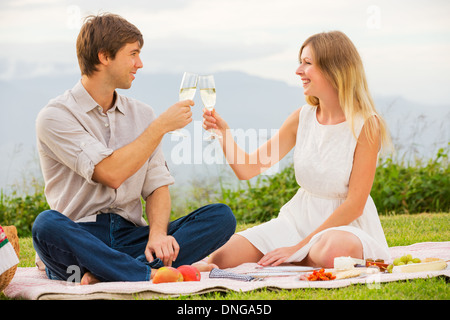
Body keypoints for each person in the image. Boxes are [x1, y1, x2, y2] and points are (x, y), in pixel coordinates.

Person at [32, 13, 235, 284]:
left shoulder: (141, 113)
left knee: (220, 217)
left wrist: (158, 235)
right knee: (46, 224)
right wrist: (160, 127)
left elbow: (156, 186)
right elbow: (110, 172)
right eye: (133, 54)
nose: (139, 64)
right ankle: (142, 273)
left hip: (132, 238)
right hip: (81, 238)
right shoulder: (55, 116)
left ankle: (110, 272)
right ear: (104, 57)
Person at [202, 31, 392, 269]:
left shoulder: (366, 124)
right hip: (298, 220)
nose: (298, 70)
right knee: (223, 258)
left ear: (334, 69)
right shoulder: (301, 118)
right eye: (300, 62)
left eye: (307, 63)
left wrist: (298, 246)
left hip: (345, 227)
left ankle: (298, 257)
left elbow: (355, 204)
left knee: (331, 251)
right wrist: (223, 133)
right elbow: (248, 169)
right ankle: (300, 258)